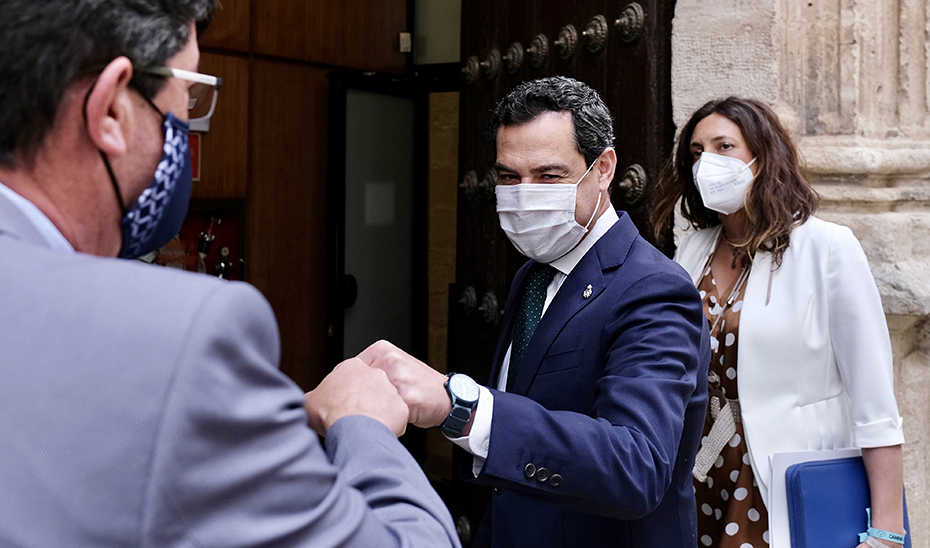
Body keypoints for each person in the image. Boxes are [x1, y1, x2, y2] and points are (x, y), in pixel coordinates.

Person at [0, 2, 459, 547]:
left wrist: (267, 424)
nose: (186, 127)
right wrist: (362, 424)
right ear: (112, 111)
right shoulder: (180, 337)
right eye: (186, 99)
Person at [358, 76, 711, 548]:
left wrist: (460, 406)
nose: (525, 195)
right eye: (508, 177)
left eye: (549, 176)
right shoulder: (534, 273)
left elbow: (637, 466)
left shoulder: (654, 289)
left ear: (603, 169)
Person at [651, 96, 906, 548]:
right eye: (696, 152)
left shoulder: (827, 249)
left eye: (724, 146)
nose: (707, 162)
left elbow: (875, 402)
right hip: (699, 473)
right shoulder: (693, 251)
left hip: (780, 482)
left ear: (763, 157)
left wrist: (887, 530)